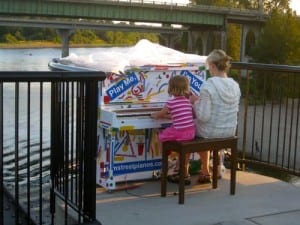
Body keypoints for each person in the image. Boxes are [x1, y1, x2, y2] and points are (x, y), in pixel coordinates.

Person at [190, 49, 241, 183]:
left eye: (208, 67)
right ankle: (210, 170)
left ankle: (192, 170)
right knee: (206, 128)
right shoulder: (235, 85)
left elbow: (203, 117)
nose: (208, 70)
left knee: (189, 127)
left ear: (213, 66)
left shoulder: (209, 85)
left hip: (210, 132)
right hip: (229, 131)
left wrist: (195, 102)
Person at [151, 75, 195, 185]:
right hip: (190, 133)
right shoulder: (187, 102)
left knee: (160, 137)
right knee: (169, 132)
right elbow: (176, 116)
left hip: (179, 132)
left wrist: (153, 115)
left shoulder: (171, 103)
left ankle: (166, 158)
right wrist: (166, 117)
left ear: (170, 88)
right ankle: (176, 164)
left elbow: (160, 114)